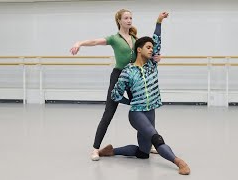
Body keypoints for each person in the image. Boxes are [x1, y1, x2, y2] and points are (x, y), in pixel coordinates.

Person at [70, 9, 169, 161]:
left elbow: (149, 50)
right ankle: (96, 149)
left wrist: (156, 58)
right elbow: (96, 42)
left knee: (145, 108)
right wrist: (79, 43)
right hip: (119, 77)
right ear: (119, 21)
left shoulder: (136, 38)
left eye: (131, 18)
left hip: (134, 77)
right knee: (108, 114)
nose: (129, 20)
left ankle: (149, 144)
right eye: (126, 18)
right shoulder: (114, 39)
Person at [97, 36, 190, 175]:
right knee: (156, 138)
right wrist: (130, 102)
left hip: (150, 111)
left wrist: (159, 22)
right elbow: (115, 95)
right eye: (148, 47)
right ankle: (179, 162)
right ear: (139, 50)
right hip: (137, 114)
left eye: (152, 48)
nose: (152, 50)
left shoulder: (152, 65)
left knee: (143, 153)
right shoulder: (128, 71)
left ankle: (111, 151)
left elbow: (157, 41)